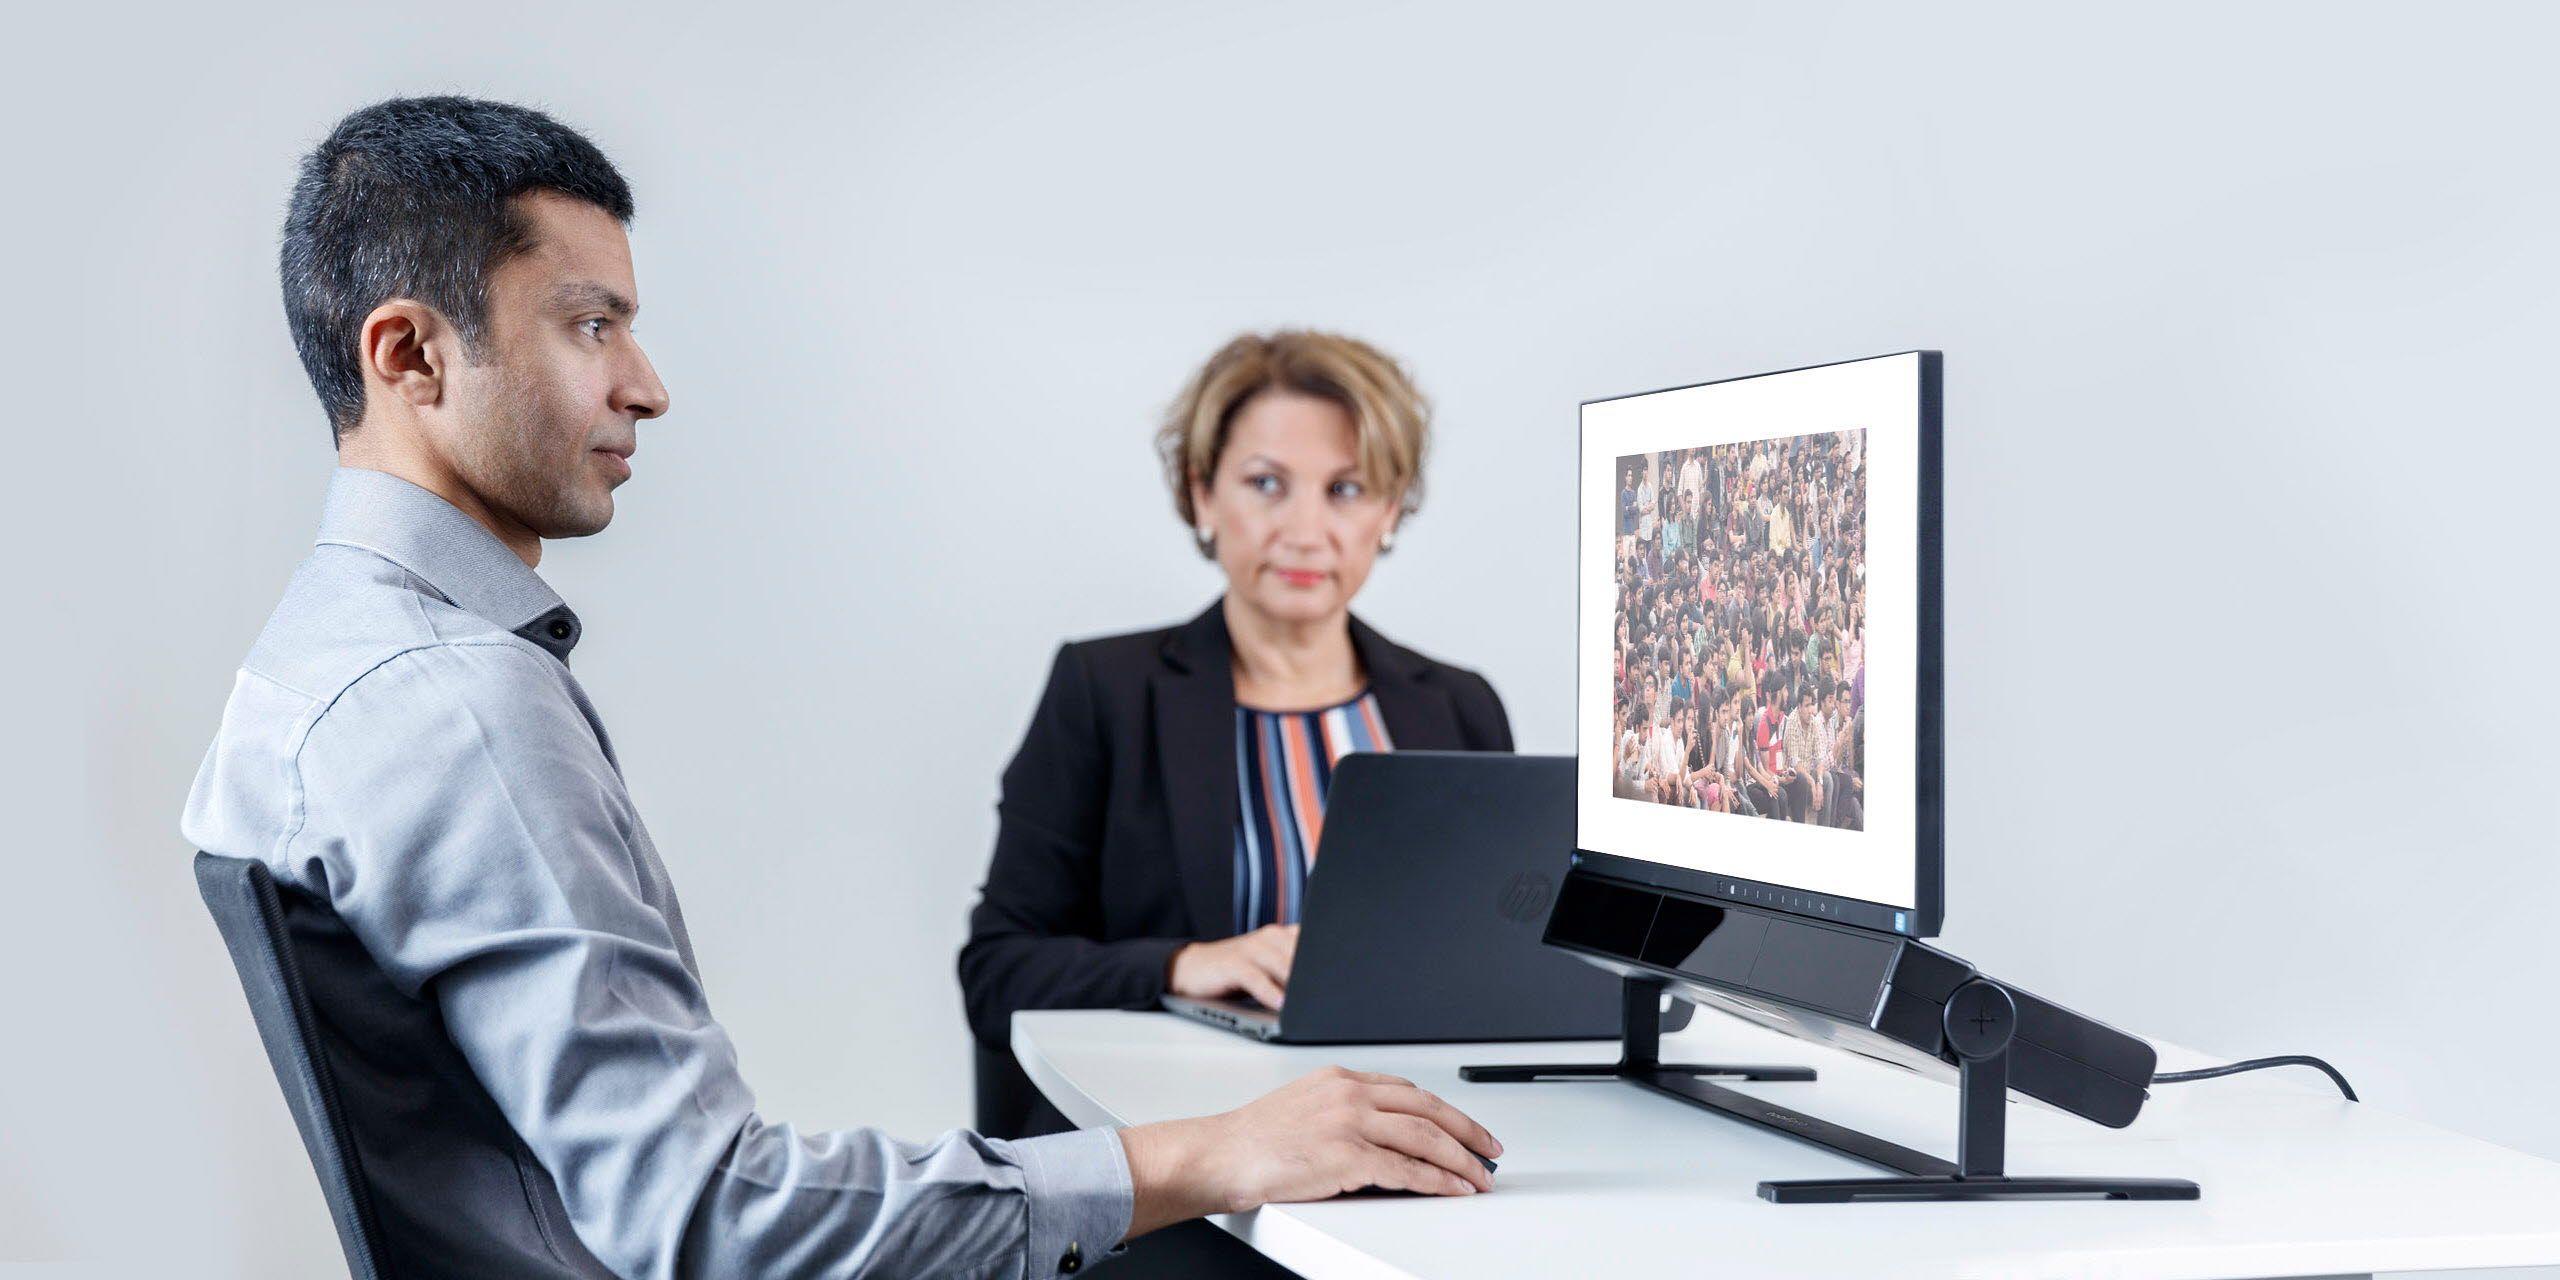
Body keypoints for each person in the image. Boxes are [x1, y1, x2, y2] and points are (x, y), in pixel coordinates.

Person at [182, 97, 1499, 1280]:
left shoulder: (322, 657)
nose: (648, 384)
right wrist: (1208, 1156)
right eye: (593, 324)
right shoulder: (463, 706)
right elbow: (711, 1219)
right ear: (410, 358)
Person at [958, 330, 1514, 1142]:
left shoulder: (1459, 708)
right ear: (1202, 497)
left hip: (1413, 1132)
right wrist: (1183, 965)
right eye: (1266, 484)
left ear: (1391, 511)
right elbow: (997, 970)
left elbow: (1507, 968)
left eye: (1347, 489)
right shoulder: (1103, 691)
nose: (1305, 528)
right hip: (1181, 1144)